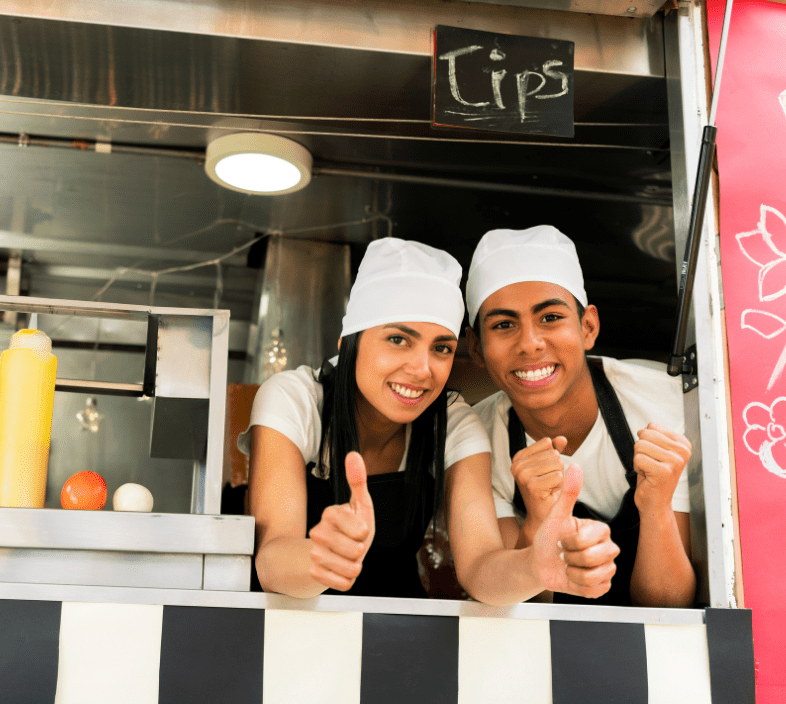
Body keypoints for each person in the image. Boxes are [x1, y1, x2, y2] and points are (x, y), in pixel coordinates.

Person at [240, 237, 618, 603]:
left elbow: (481, 569)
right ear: (348, 344)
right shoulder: (294, 399)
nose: (422, 369)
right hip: (281, 630)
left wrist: (534, 566)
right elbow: (271, 559)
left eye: (441, 348)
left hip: (402, 630)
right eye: (398, 340)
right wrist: (320, 560)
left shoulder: (454, 423)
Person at [461, 225, 696, 607]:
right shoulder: (476, 443)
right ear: (475, 346)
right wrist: (537, 519)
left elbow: (668, 608)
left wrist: (655, 508)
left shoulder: (667, 406)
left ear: (588, 327)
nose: (530, 343)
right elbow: (520, 608)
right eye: (504, 325)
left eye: (550, 318)